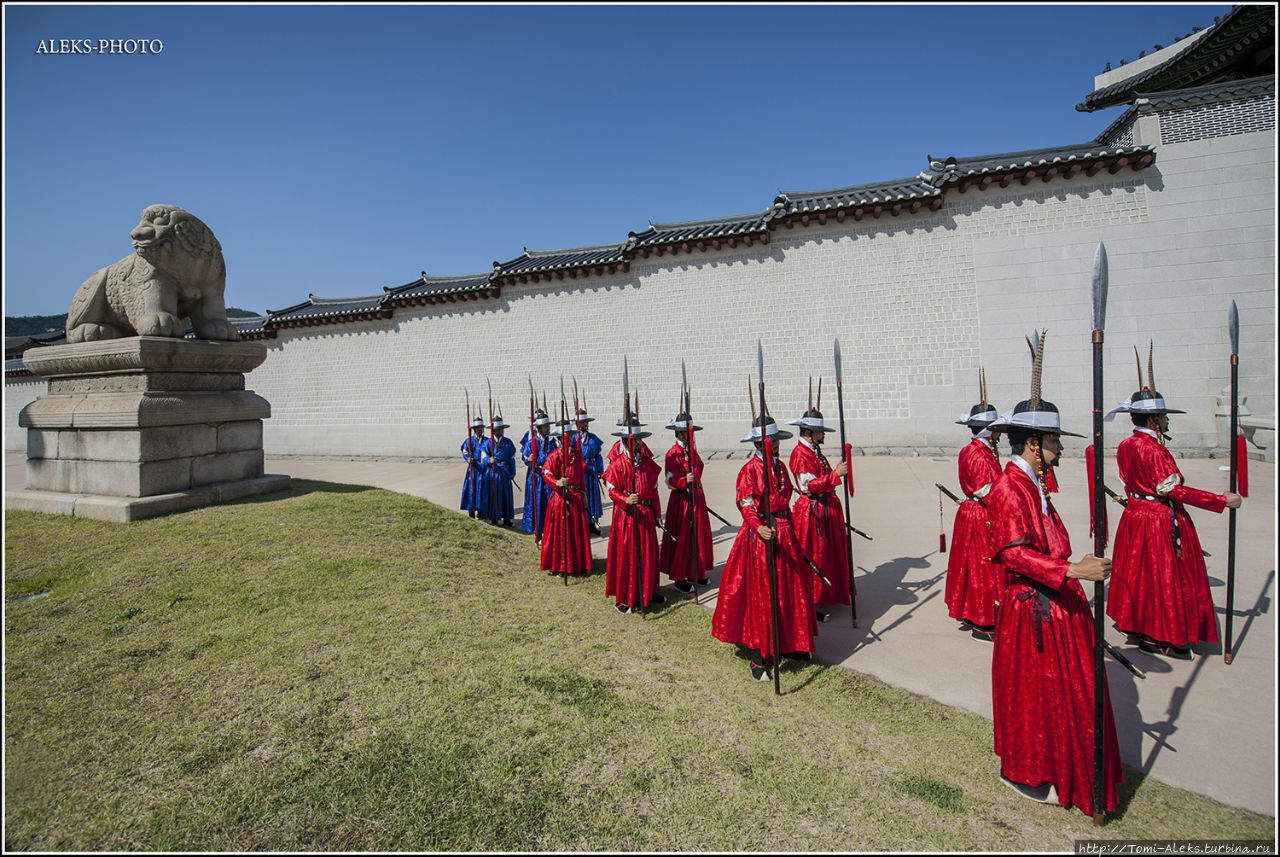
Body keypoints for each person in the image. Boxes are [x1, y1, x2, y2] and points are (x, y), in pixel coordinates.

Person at [985, 333, 1121, 817]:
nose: (1062, 449)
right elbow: (1014, 555)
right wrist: (1071, 569)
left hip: (1055, 600)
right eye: (1056, 441)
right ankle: (1025, 769)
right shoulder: (1008, 487)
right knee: (1032, 695)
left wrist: (1072, 567)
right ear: (1035, 445)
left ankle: (1061, 762)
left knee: (1060, 695)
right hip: (1030, 611)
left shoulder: (1034, 482)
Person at [1104, 359, 1242, 660]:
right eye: (1163, 417)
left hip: (1136, 515)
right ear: (1155, 420)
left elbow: (1129, 481)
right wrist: (1219, 499)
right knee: (1162, 579)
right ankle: (1160, 635)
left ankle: (1141, 627)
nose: (1167, 422)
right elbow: (1171, 490)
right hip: (1156, 521)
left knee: (1141, 576)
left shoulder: (1127, 445)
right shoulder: (1153, 449)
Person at [712, 414, 818, 682]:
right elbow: (746, 504)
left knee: (790, 591)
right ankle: (758, 655)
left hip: (784, 534)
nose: (775, 445)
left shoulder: (780, 468)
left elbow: (786, 499)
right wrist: (759, 527)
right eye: (769, 441)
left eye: (775, 441)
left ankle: (790, 643)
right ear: (760, 444)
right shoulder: (749, 470)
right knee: (763, 595)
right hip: (761, 537)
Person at [944, 393, 1005, 641]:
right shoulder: (979, 454)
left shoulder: (978, 449)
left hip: (973, 513)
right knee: (983, 569)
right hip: (981, 514)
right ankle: (983, 623)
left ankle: (971, 613)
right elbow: (986, 490)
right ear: (990, 430)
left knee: (971, 566)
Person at [787, 405, 851, 621]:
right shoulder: (799, 454)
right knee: (812, 556)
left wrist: (832, 474)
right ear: (809, 433)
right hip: (811, 514)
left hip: (825, 509)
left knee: (826, 556)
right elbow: (809, 485)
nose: (823, 435)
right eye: (820, 432)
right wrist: (834, 476)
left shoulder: (814, 451)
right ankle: (808, 604)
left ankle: (825, 593)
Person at [603, 416, 665, 613]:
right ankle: (625, 598)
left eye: (640, 439)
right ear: (624, 442)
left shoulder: (648, 464)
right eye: (635, 439)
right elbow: (612, 490)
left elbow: (654, 490)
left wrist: (657, 513)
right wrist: (624, 499)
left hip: (646, 515)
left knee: (649, 555)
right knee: (628, 556)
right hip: (627, 518)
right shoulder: (617, 465)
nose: (639, 443)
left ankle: (649, 591)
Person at [659, 410, 713, 593]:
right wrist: (684, 481)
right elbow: (669, 480)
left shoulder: (692, 451)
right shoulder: (672, 454)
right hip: (682, 500)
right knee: (682, 538)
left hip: (697, 497)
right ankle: (680, 577)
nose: (692, 436)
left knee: (697, 537)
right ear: (680, 434)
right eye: (688, 433)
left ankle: (694, 571)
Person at [540, 418, 593, 577]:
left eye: (570, 436)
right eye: (566, 436)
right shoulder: (554, 456)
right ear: (558, 439)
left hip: (576, 498)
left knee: (577, 533)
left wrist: (584, 494)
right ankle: (560, 566)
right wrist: (557, 482)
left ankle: (580, 564)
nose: (569, 439)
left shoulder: (577, 455)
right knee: (560, 533)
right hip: (560, 498)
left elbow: (581, 477)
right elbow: (546, 474)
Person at [520, 409, 556, 543]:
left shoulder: (552, 442)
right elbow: (524, 458)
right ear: (539, 428)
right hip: (536, 477)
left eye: (548, 426)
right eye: (546, 426)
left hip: (549, 477)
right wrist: (528, 459)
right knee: (538, 504)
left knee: (549, 504)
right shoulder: (531, 443)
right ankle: (538, 534)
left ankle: (549, 531)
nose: (548, 428)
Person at [480, 412, 517, 527]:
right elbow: (483, 457)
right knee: (494, 494)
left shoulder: (508, 442)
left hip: (505, 471)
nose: (500, 431)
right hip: (493, 472)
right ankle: (494, 517)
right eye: (497, 429)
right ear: (493, 430)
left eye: (501, 428)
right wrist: (488, 461)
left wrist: (513, 472)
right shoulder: (487, 443)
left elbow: (512, 458)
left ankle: (507, 518)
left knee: (506, 495)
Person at [575, 407, 606, 536]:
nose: (585, 425)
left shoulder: (593, 438)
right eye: (583, 422)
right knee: (581, 497)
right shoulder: (573, 438)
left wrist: (600, 471)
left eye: (586, 422)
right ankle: (581, 524)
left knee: (592, 497)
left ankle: (592, 524)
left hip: (591, 470)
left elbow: (598, 455)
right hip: (579, 472)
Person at [460, 416, 487, 520]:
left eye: (481, 427)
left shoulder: (487, 440)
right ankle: (471, 512)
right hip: (473, 468)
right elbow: (465, 451)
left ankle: (481, 512)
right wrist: (468, 459)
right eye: (478, 427)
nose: (480, 429)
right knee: (471, 489)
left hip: (483, 468)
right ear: (474, 429)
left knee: (482, 490)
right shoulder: (469, 441)